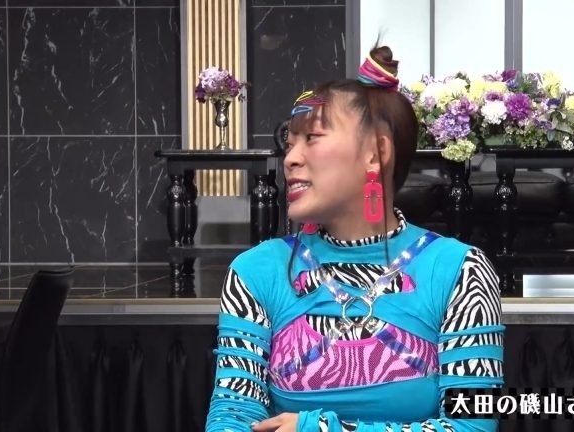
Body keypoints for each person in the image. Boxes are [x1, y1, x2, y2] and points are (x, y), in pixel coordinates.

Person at [206, 45, 505, 432]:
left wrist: (322, 429)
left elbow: (474, 427)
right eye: (290, 144)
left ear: (375, 154)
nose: (290, 159)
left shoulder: (459, 271)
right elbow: (233, 413)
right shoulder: (257, 271)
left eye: (312, 138)